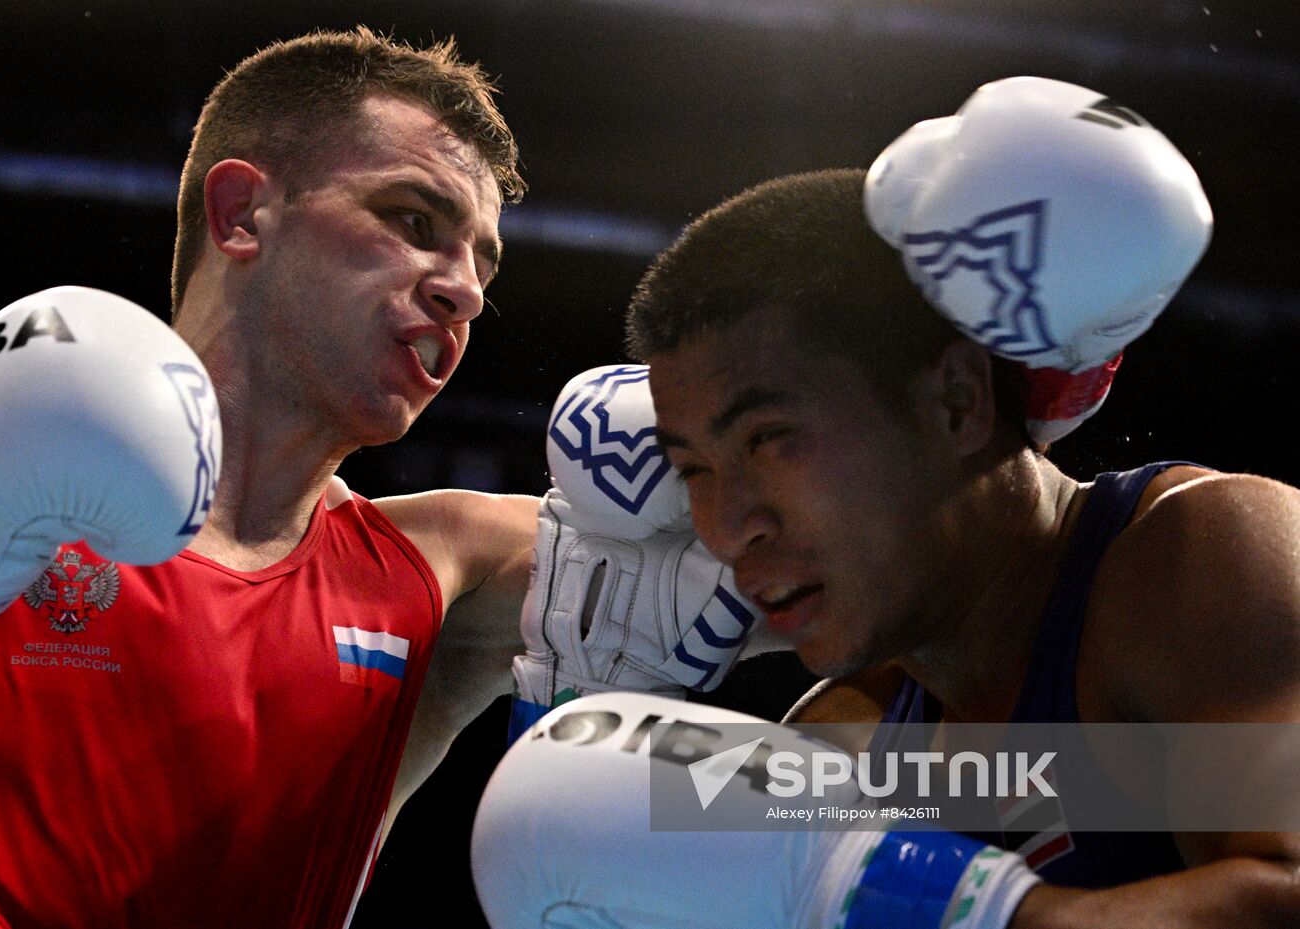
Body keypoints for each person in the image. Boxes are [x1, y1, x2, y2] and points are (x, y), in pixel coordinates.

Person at [471, 78, 1300, 927]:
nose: (728, 529)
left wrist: (973, 909)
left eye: (768, 438)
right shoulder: (851, 738)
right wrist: (570, 718)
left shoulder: (1190, 559)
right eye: (694, 471)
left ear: (955, 400)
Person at [0, 28, 542, 928]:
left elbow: (779, 560)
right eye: (414, 222)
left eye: (483, 261)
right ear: (243, 213)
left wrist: (814, 821)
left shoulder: (442, 568)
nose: (466, 290)